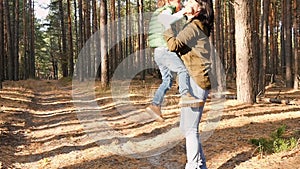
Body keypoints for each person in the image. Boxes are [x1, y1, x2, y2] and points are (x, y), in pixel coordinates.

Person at [161, 0, 214, 168]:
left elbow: (173, 45)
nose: (187, 3)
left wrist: (165, 25)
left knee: (190, 129)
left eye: (192, 1)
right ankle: (200, 165)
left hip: (196, 81)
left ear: (200, 8)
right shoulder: (194, 24)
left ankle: (194, 166)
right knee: (187, 127)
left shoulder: (195, 26)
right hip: (194, 80)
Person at [146, 0, 203, 122]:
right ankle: (185, 96)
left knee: (167, 80)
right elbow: (167, 20)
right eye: (178, 2)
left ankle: (155, 105)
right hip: (164, 50)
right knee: (182, 70)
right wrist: (183, 11)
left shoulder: (158, 12)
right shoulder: (167, 10)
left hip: (158, 52)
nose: (181, 4)